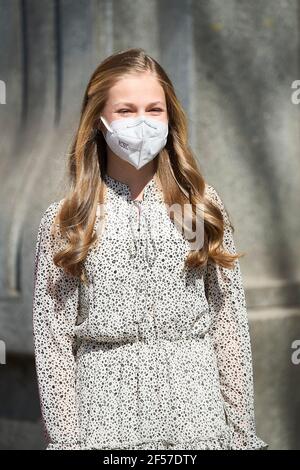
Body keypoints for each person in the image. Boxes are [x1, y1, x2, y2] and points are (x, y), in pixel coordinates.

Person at [32, 48, 268, 450]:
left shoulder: (197, 208)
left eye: (154, 109)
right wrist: (67, 443)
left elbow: (227, 324)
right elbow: (53, 344)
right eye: (126, 110)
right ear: (99, 121)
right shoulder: (70, 220)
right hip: (105, 430)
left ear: (170, 116)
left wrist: (242, 435)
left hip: (199, 425)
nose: (142, 122)